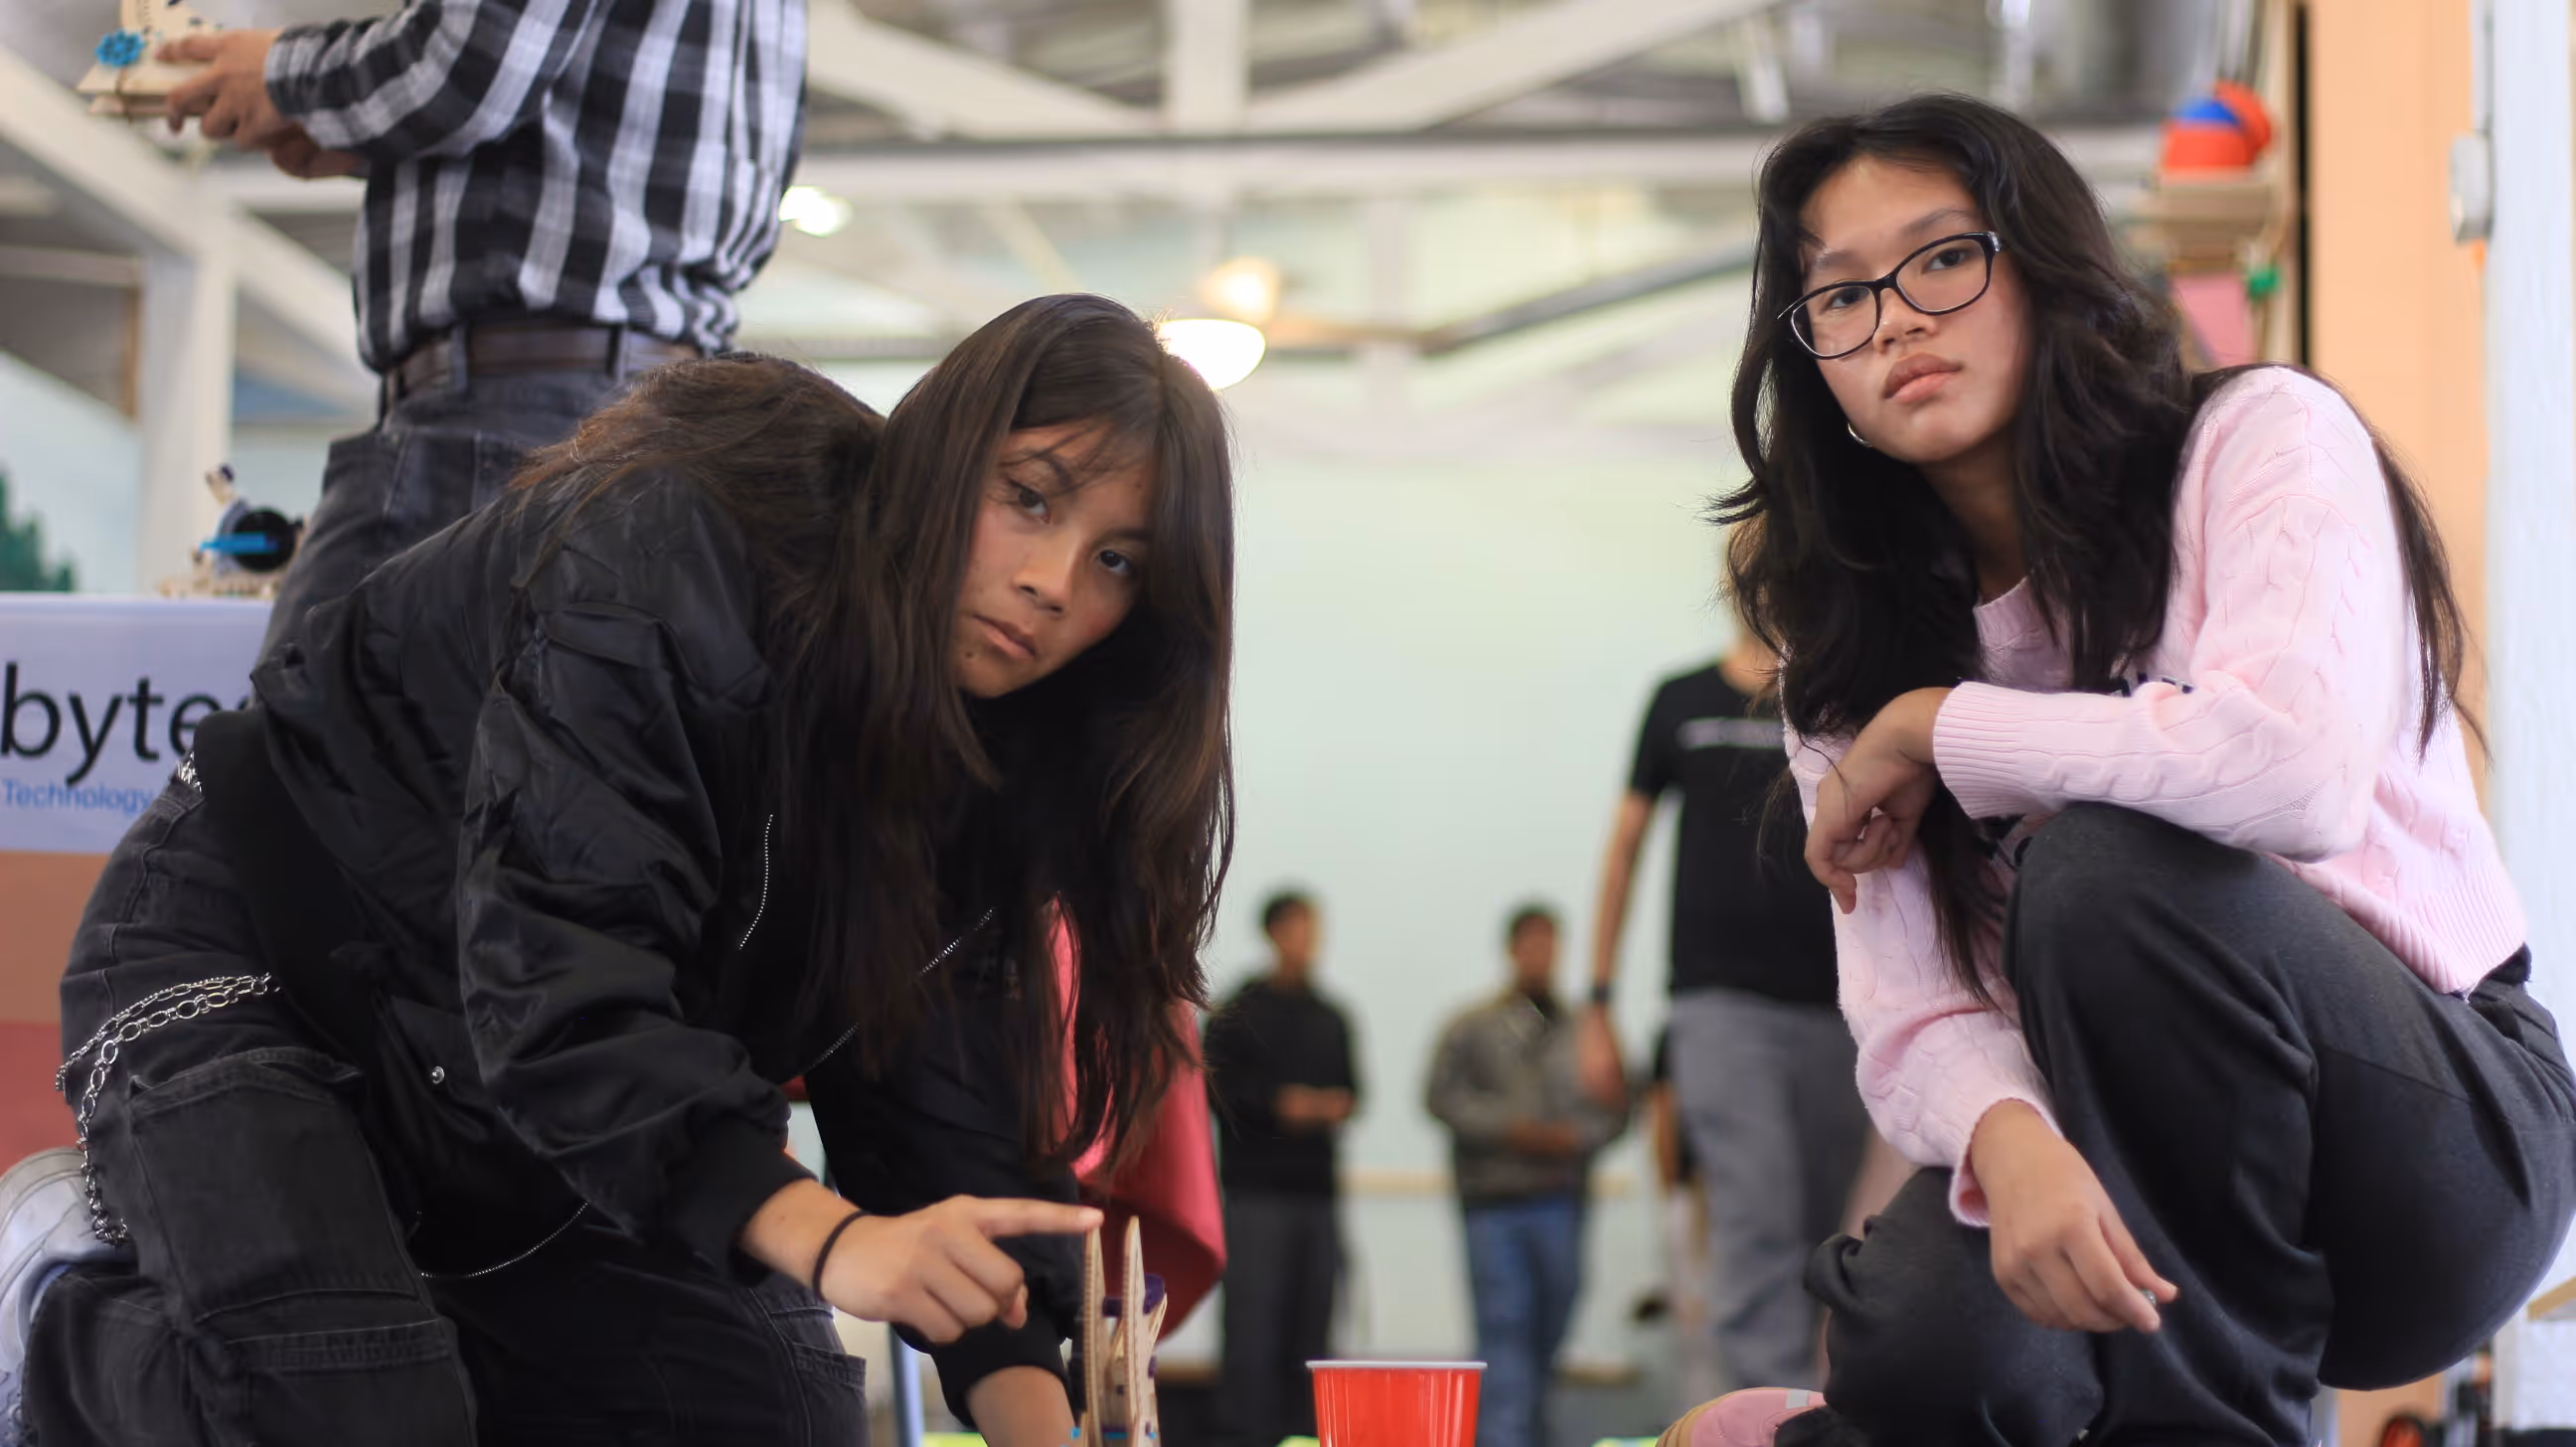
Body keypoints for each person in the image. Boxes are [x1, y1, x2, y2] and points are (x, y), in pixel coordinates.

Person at [0, 294, 1237, 1445]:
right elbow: (556, 972)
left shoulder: (1002, 746)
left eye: (1119, 562)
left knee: (781, 1417)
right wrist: (836, 1236)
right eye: (1030, 496)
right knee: (354, 1408)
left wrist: (1048, 1423)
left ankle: (381, 1318)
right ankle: (52, 1301)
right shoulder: (682, 538)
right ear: (948, 447)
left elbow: (940, 1123)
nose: (1052, 583)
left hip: (518, 1091)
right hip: (266, 962)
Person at [1690, 93, 2576, 1447]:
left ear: (2042, 264)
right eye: (1843, 296)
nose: (1900, 319)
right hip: (2103, 1128)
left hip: (2429, 1131)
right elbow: (1911, 1004)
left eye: (1942, 257)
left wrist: (1943, 724)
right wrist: (2013, 1141)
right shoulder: (1844, 659)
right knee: (1928, 1342)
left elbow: (2293, 776)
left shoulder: (2255, 439)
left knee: (2104, 865)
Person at [153, 0, 804, 650]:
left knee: (290, 742)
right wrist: (356, 126)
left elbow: (470, 60)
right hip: (669, 427)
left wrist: (280, 75)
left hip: (497, 427)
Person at [1578, 631, 1869, 1391]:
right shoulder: (1682, 699)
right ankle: (1763, 1422)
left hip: (1838, 1009)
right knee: (1756, 1218)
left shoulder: (1840, 700)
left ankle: (1802, 1412)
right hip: (1717, 1005)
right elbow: (1623, 850)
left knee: (1820, 1241)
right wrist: (1597, 1002)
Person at [1426, 903, 1627, 1447]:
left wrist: (1573, 1137)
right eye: (1531, 943)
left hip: (1562, 1201)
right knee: (1505, 1329)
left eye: (1551, 943)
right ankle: (1502, 1437)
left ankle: (1530, 1431)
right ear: (1512, 949)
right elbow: (1441, 1097)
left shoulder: (1584, 1031)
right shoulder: (1471, 1028)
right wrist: (1513, 1129)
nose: (1541, 954)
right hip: (1494, 1204)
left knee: (1549, 1330)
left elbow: (1618, 1105)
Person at [1205, 890, 1362, 1447]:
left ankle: (1307, 1435)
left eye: (1313, 928)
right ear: (1273, 933)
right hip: (1256, 1197)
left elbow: (1353, 1093)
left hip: (1317, 1197)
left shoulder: (1332, 1016)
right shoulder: (1237, 1014)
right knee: (1254, 1330)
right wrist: (1279, 1105)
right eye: (1297, 928)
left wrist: (1322, 1107)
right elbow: (1215, 1090)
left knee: (1313, 1329)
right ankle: (1246, 1436)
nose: (1307, 941)